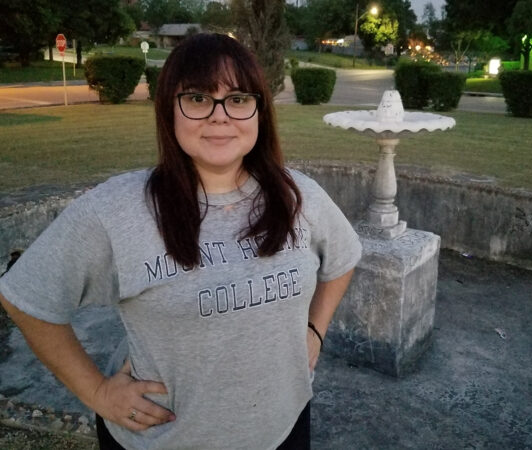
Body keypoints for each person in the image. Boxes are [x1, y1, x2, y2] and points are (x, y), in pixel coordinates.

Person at [0, 33, 362, 449]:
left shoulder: (300, 195)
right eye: (197, 99)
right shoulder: (116, 210)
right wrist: (97, 392)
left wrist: (314, 333)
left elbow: (343, 258)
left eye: (239, 99)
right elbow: (25, 296)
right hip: (163, 439)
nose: (220, 116)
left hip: (283, 427)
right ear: (169, 110)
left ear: (260, 111)